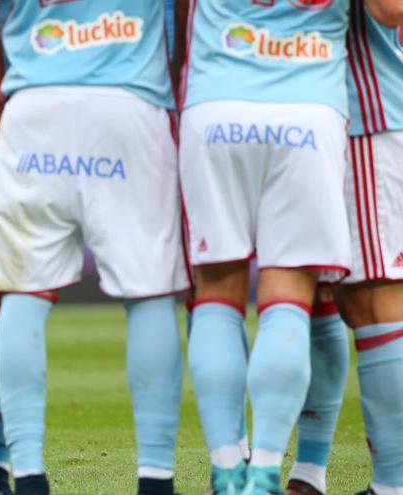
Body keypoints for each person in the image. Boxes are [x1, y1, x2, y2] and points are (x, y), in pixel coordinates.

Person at [0, 2, 189, 494]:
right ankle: (156, 479)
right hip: (132, 99)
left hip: (36, 100)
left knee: (21, 290)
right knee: (150, 294)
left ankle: (24, 475)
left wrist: (2, 107)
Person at [177, 1, 357, 493]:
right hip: (308, 109)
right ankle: (265, 475)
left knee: (215, 295)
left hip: (216, 105)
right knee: (291, 299)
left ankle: (226, 467)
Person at [288, 4, 403, 495]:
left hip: (365, 118)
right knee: (317, 297)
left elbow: (390, 9)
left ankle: (393, 484)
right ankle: (309, 474)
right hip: (305, 119)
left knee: (376, 298)